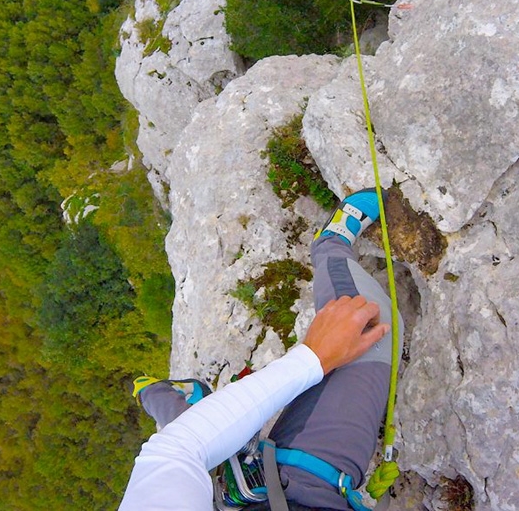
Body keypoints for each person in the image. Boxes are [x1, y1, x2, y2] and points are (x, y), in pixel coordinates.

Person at [118, 188, 403, 510]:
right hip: (315, 492)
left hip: (297, 482)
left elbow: (178, 449)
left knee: (371, 325)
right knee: (204, 434)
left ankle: (330, 244)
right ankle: (156, 393)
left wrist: (315, 357)